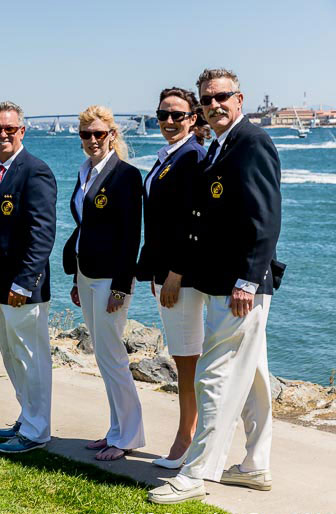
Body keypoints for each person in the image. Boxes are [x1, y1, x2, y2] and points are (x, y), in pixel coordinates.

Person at [149, 68, 283, 504]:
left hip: (239, 286)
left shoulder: (252, 142)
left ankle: (196, 472)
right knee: (255, 378)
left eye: (222, 96)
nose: (215, 104)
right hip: (227, 282)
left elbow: (265, 219)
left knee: (214, 374)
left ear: (239, 99)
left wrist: (246, 279)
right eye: (208, 99)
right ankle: (255, 465)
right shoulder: (224, 146)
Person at [62, 105, 144, 461]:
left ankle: (128, 436)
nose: (93, 140)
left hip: (112, 278)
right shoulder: (85, 173)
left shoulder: (125, 176)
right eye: (86, 135)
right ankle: (115, 430)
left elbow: (130, 237)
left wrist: (122, 286)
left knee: (112, 358)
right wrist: (78, 279)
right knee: (103, 357)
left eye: (99, 134)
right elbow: (86, 226)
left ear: (112, 135)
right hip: (87, 274)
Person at [0, 101, 57, 454]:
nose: (3, 134)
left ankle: (38, 431)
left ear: (22, 131)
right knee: (11, 356)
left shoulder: (35, 172)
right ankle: (27, 417)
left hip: (23, 288)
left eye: (10, 128)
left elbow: (42, 234)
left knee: (32, 359)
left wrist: (24, 282)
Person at [136, 89, 207, 469]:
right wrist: (151, 271)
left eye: (178, 115)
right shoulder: (170, 156)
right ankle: (191, 438)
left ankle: (186, 442)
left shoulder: (192, 156)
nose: (168, 121)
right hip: (167, 274)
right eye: (163, 113)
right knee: (186, 359)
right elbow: (159, 224)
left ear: (194, 119)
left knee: (187, 361)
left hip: (185, 278)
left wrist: (176, 273)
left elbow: (193, 220)